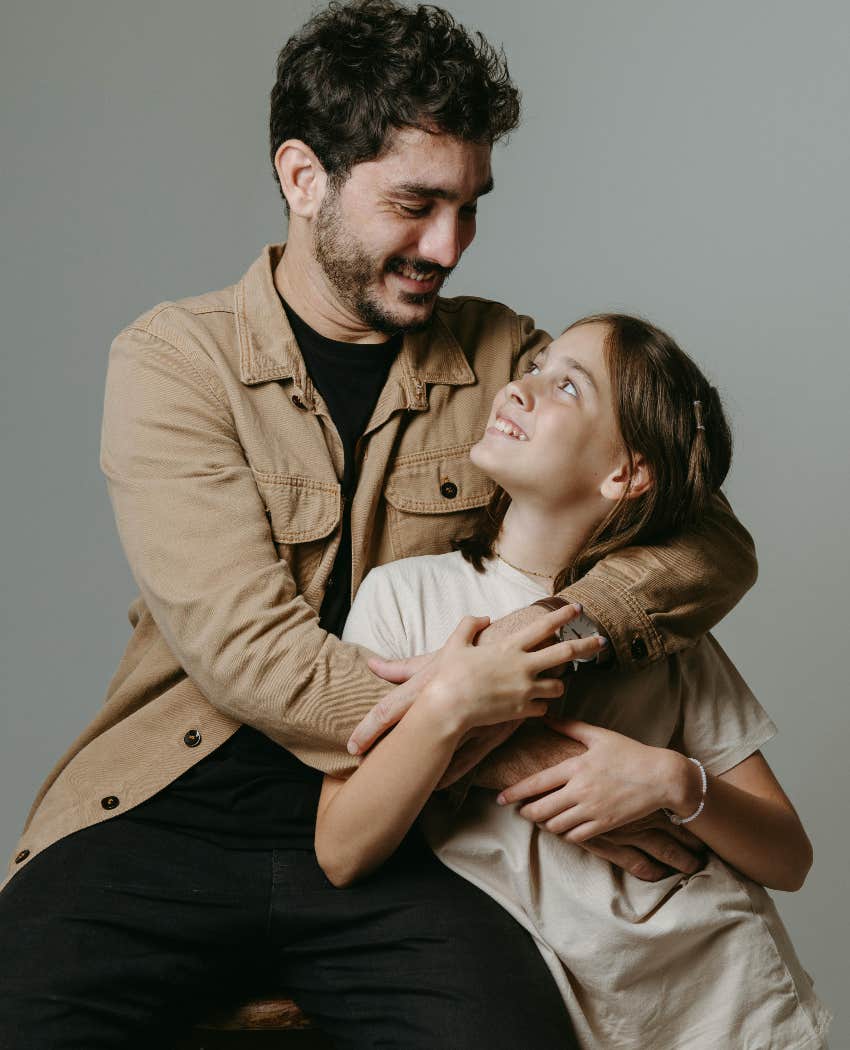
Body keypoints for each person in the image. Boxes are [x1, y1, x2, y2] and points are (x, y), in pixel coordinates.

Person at [0, 3, 759, 1047]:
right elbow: (250, 654)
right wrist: (491, 735)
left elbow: (711, 540)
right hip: (170, 811)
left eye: (468, 207)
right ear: (304, 177)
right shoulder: (175, 360)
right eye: (414, 204)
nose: (446, 245)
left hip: (400, 844)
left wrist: (573, 628)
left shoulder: (506, 356)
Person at [324, 313, 833, 1049]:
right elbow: (342, 851)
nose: (520, 389)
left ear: (624, 473)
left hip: (733, 1005)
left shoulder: (659, 628)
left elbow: (789, 858)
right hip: (558, 1008)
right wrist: (448, 704)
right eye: (533, 369)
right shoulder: (405, 598)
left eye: (565, 384)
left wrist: (670, 781)